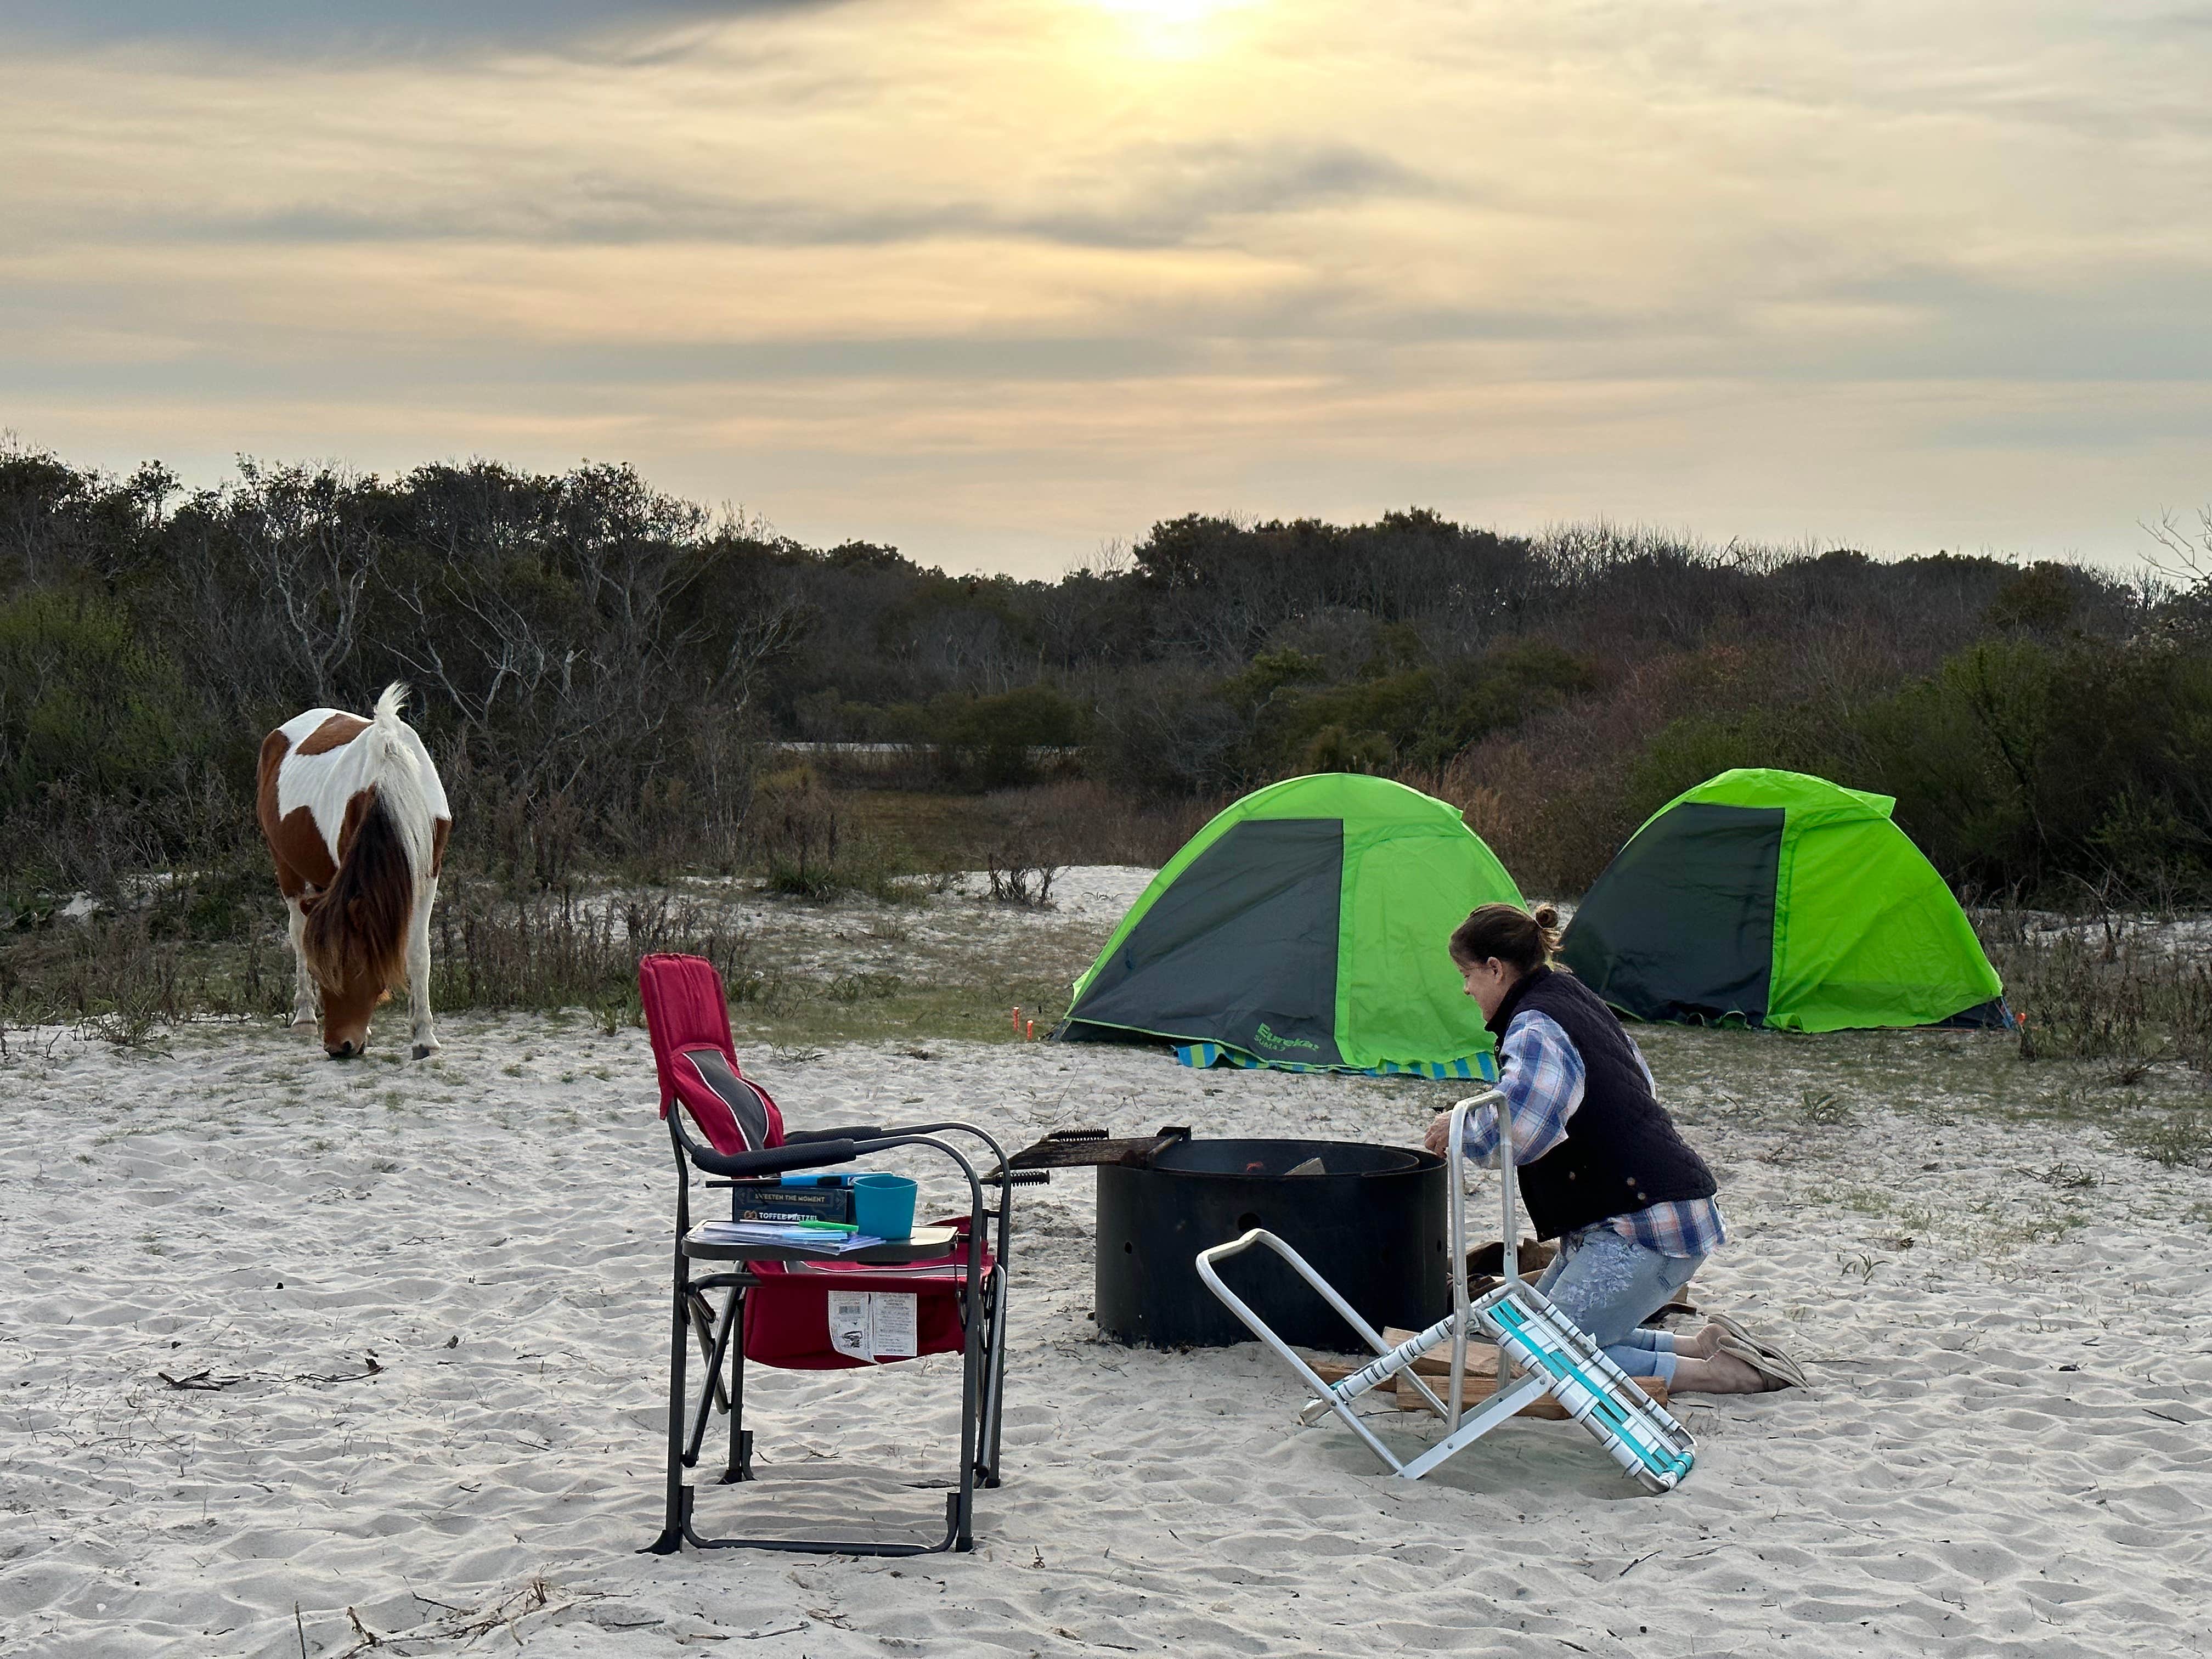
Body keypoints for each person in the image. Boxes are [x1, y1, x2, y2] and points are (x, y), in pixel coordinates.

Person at [1421, 901, 1797, 1395]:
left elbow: (1521, 1129)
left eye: (1468, 975)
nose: (1467, 988)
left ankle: (1715, 1374)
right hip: (1641, 1213)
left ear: (1495, 969)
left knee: (1550, 1355)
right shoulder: (1570, 994)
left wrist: (1458, 1125)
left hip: (1642, 1227)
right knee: (1531, 1334)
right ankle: (1703, 1345)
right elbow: (1640, 1082)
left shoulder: (1536, 1026)